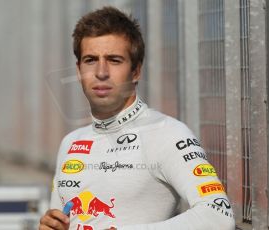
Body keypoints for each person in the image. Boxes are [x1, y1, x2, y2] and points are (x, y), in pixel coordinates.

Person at [39, 6, 235, 230]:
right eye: (91, 60)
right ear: (78, 70)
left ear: (136, 71)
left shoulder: (167, 134)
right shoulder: (70, 143)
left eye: (114, 60)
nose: (101, 72)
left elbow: (218, 215)